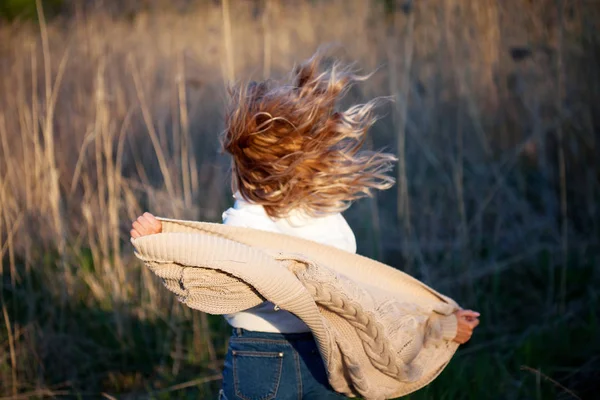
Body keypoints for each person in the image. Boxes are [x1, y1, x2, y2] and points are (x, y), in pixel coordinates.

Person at [130, 53, 480, 399]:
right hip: (331, 355)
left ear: (247, 168)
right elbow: (372, 297)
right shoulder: (329, 220)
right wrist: (439, 325)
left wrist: (160, 240)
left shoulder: (243, 219)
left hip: (262, 353)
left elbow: (207, 265)